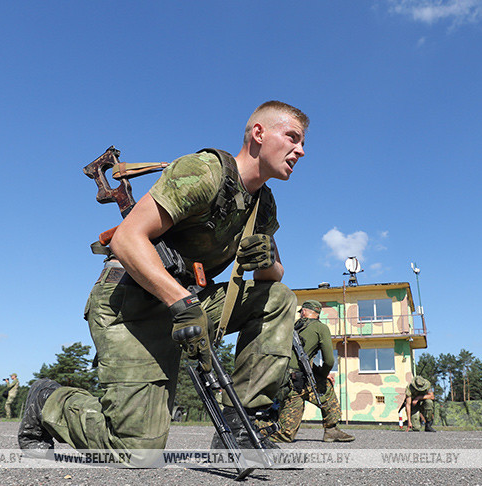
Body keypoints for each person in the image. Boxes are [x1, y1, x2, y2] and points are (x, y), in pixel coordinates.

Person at [18, 101, 309, 464]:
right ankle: (48, 400)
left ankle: (240, 425)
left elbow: (273, 279)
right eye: (292, 137)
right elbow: (126, 240)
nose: (300, 150)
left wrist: (264, 260)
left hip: (186, 306)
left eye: (302, 142)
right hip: (131, 305)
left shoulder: (262, 204)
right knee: (138, 453)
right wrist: (182, 302)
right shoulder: (204, 171)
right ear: (259, 133)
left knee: (279, 297)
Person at [270, 300, 354, 443]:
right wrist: (323, 374)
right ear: (317, 313)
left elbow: (302, 359)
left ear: (303, 311)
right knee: (326, 388)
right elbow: (329, 361)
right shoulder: (320, 328)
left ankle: (250, 427)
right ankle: (331, 430)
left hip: (284, 380)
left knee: (285, 435)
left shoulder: (290, 328)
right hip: (299, 381)